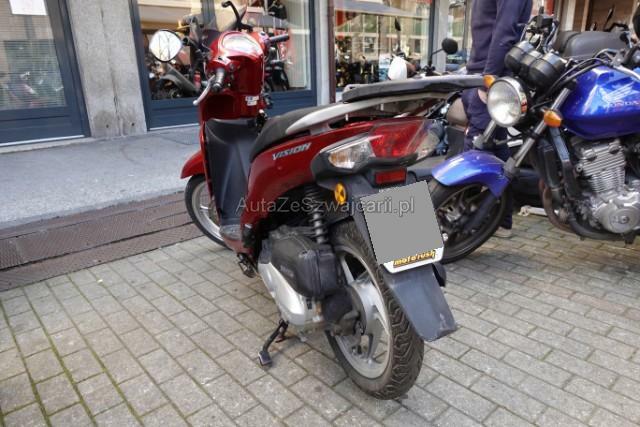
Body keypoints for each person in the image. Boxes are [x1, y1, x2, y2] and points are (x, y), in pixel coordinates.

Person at [463, 0, 533, 238]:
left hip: (489, 79)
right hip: (481, 74)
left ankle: (464, 223)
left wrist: (489, 79)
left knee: (475, 151)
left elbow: (505, 30)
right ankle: (501, 222)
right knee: (496, 151)